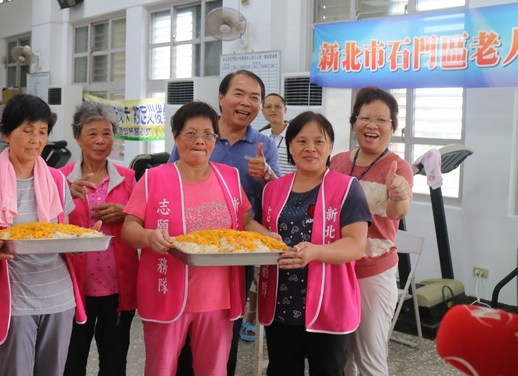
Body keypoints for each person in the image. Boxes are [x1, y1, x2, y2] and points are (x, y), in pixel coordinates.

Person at [122, 101, 278, 376]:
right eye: (191, 133)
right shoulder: (153, 178)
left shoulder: (228, 177)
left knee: (214, 370)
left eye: (208, 134)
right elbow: (129, 228)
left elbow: (245, 221)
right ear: (175, 137)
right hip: (166, 290)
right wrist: (149, 236)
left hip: (217, 299)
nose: (200, 141)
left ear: (215, 140)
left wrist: (269, 238)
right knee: (160, 369)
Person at [169, 70, 280, 376]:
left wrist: (267, 176)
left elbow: (278, 196)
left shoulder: (264, 145)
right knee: (184, 327)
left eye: (254, 97)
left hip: (236, 251)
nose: (247, 103)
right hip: (190, 248)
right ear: (221, 98)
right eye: (239, 94)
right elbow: (169, 179)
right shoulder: (199, 133)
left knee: (224, 329)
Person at [0, 94, 81, 376]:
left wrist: (81, 242)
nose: (35, 139)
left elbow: (62, 234)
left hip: (59, 296)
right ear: (7, 134)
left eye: (42, 132)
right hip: (15, 301)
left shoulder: (56, 180)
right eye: (27, 130)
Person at [257, 111, 371, 375]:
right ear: (289, 147)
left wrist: (316, 252)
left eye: (319, 141)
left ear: (330, 147)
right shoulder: (272, 190)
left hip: (330, 303)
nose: (310, 148)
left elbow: (356, 245)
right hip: (281, 304)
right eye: (301, 141)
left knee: (328, 370)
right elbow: (254, 228)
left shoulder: (347, 188)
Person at [329, 86, 413, 375]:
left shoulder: (399, 168)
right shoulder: (338, 161)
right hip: (337, 268)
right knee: (340, 355)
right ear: (354, 122)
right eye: (365, 118)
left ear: (393, 127)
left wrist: (398, 194)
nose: (372, 125)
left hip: (373, 272)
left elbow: (396, 213)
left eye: (382, 120)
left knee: (369, 355)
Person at [60, 101, 138, 376]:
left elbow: (144, 220)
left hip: (118, 285)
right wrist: (64, 198)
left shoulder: (128, 178)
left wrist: (126, 212)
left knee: (115, 361)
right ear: (78, 138)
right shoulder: (60, 180)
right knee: (72, 361)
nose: (100, 141)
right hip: (74, 286)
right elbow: (44, 225)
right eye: (92, 134)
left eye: (106, 133)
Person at [260, 93, 295, 175]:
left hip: (291, 185)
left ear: (285, 110)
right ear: (263, 111)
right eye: (268, 107)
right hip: (268, 185)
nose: (272, 110)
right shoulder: (261, 136)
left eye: (277, 106)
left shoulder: (296, 135)